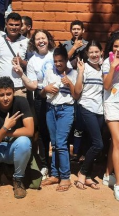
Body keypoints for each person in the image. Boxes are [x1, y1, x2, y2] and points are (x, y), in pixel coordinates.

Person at [13, 29, 56, 177]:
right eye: (37, 39)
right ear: (34, 43)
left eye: (43, 38)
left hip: (58, 97)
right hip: (40, 98)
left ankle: (58, 165)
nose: (41, 41)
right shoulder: (32, 61)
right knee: (43, 132)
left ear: (48, 39)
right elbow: (32, 85)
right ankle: (45, 165)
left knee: (57, 132)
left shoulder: (56, 54)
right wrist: (21, 74)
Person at [39, 46, 77, 192]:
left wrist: (70, 84)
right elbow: (42, 94)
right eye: (55, 61)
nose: (58, 64)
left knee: (61, 143)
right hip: (50, 109)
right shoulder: (49, 72)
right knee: (54, 143)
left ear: (66, 60)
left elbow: (76, 96)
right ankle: (55, 174)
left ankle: (65, 176)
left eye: (61, 61)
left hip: (66, 109)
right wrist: (45, 89)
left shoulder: (73, 73)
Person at [100, 32, 119, 202]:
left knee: (115, 141)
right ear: (111, 46)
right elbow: (106, 85)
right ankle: (118, 184)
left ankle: (107, 175)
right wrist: (112, 67)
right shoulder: (107, 63)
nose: (118, 49)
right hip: (111, 105)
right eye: (116, 46)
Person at [72, 41, 104, 190]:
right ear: (87, 54)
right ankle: (83, 173)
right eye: (91, 52)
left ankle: (89, 176)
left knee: (91, 143)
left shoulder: (104, 69)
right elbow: (77, 91)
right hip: (86, 107)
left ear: (101, 52)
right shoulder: (84, 69)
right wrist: (80, 72)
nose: (94, 55)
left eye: (96, 52)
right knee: (98, 144)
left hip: (100, 110)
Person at [0, 12, 28, 100]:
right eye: (11, 24)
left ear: (21, 26)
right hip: (1, 88)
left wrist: (22, 62)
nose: (14, 27)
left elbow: (32, 66)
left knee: (20, 113)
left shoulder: (27, 42)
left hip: (19, 88)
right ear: (6, 24)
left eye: (17, 25)